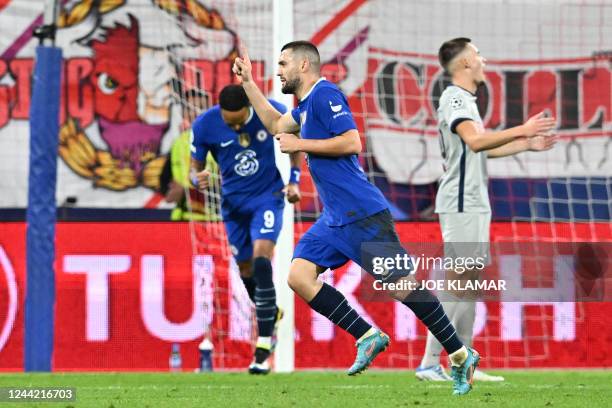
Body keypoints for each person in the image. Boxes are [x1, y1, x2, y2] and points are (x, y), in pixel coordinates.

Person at [233, 40, 479, 395]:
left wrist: (301, 145)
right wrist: (248, 83)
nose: (279, 69)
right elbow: (275, 124)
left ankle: (459, 354)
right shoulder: (304, 108)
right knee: (299, 276)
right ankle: (368, 335)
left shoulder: (325, 94)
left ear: (304, 66)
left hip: (362, 213)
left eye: (284, 63)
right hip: (334, 218)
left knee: (402, 286)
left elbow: (351, 142)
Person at [416, 37, 556, 382]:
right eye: (477, 54)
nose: (483, 59)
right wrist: (523, 128)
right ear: (464, 63)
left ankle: (464, 363)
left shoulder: (466, 100)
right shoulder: (455, 97)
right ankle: (430, 362)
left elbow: (479, 150)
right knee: (457, 280)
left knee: (469, 284)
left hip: (474, 202)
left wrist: (524, 144)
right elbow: (476, 141)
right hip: (461, 202)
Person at [190, 84, 302, 374]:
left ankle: (263, 347)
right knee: (246, 270)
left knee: (263, 258)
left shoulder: (272, 111)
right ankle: (271, 313)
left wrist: (294, 180)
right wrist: (197, 179)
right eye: (231, 123)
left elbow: (295, 142)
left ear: (250, 108)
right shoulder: (205, 125)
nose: (238, 127)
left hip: (268, 197)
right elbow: (195, 168)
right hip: (233, 206)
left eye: (242, 120)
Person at [159, 89, 217, 221]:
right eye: (191, 108)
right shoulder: (179, 142)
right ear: (185, 112)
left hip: (216, 219)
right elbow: (164, 181)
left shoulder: (220, 140)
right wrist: (172, 192)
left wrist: (189, 192)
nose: (196, 112)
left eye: (202, 107)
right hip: (183, 219)